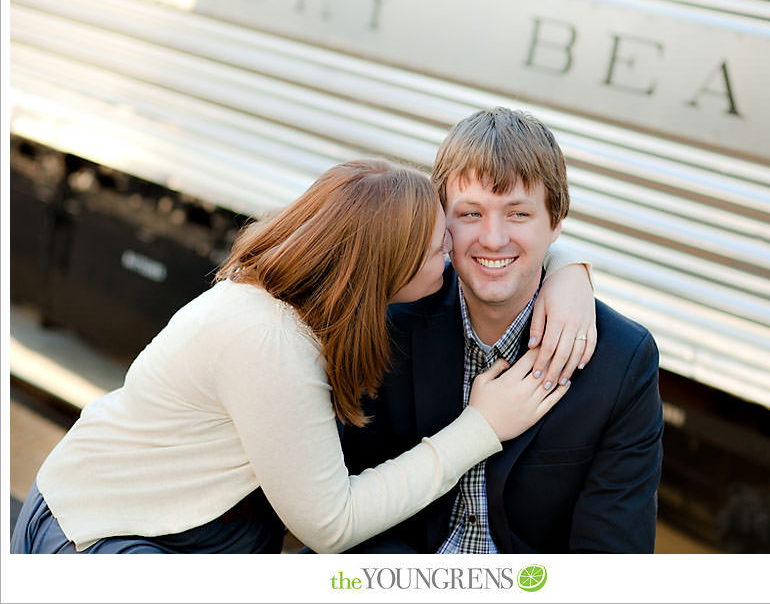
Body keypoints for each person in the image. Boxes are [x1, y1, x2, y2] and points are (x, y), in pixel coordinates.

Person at [11, 159, 596, 554]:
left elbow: (496, 217)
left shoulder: (301, 289)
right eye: (442, 247)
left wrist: (566, 266)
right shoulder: (268, 341)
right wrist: (481, 427)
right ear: (386, 265)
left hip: (183, 529)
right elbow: (330, 525)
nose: (458, 252)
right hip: (103, 539)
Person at [342, 109, 664, 553]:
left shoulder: (622, 361)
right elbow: (355, 505)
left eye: (518, 214)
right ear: (442, 224)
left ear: (556, 222)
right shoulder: (391, 325)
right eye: (471, 213)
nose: (493, 239)